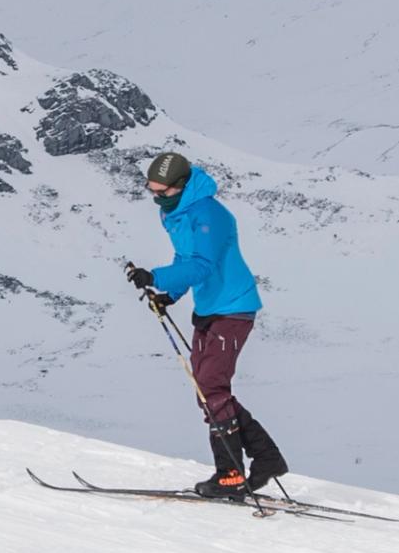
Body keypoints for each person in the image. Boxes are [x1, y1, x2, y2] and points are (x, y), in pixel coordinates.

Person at [121, 150, 289, 501]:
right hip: (210, 307)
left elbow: (203, 265)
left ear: (182, 186)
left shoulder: (209, 215)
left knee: (211, 387)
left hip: (233, 308)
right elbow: (185, 260)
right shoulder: (177, 214)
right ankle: (267, 458)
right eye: (152, 192)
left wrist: (156, 276)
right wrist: (171, 293)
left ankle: (230, 473)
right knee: (207, 390)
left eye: (163, 192)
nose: (158, 199)